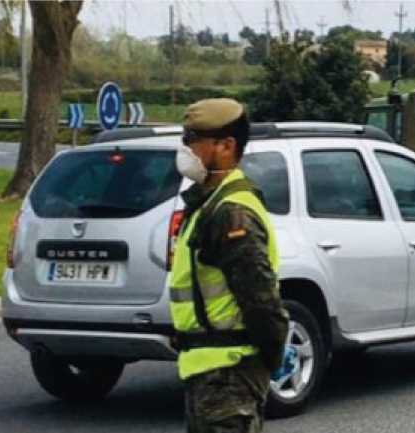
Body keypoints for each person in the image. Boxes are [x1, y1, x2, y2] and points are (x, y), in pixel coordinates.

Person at [169, 99, 294, 433]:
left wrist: (270, 354)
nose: (186, 150)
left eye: (194, 140)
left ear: (226, 146)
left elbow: (260, 299)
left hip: (229, 372)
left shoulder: (232, 213)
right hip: (208, 369)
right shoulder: (206, 204)